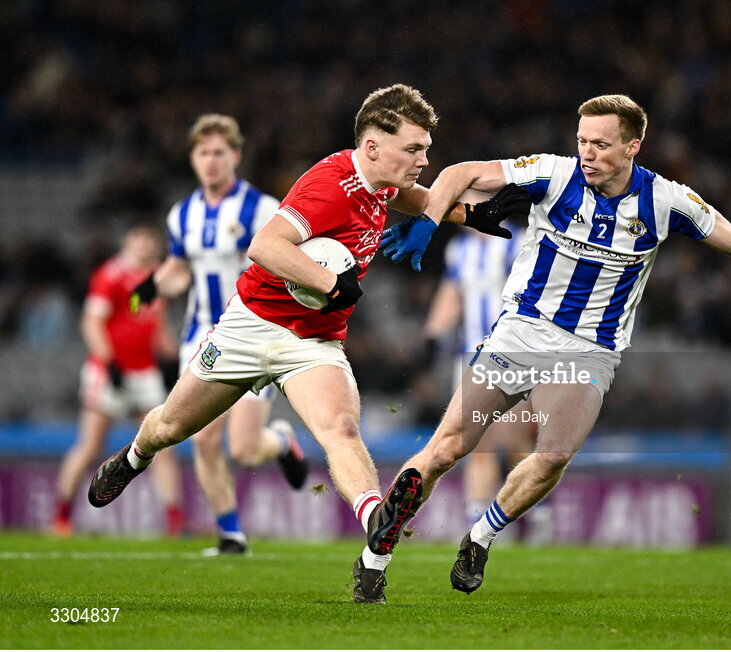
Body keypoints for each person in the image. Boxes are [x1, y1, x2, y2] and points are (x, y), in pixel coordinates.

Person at [373, 94, 731, 594]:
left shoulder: (666, 200)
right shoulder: (553, 173)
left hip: (590, 349)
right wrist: (429, 222)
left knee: (554, 454)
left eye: (601, 144)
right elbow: (460, 172)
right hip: (520, 332)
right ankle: (375, 557)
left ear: (633, 146)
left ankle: (480, 536)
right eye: (583, 141)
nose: (587, 153)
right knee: (451, 446)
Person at [86, 84, 526, 604]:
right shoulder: (330, 185)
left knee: (340, 428)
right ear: (372, 147)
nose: (424, 160)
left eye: (425, 150)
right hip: (250, 327)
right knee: (171, 427)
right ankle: (133, 458)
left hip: (314, 342)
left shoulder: (382, 181)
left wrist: (469, 215)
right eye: (414, 149)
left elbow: (417, 200)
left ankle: (375, 517)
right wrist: (329, 282)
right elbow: (264, 246)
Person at [131, 114, 307, 556]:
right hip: (201, 337)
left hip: (253, 333)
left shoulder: (262, 208)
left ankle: (282, 441)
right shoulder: (182, 213)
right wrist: (150, 287)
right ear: (192, 158)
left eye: (219, 153)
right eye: (203, 153)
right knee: (203, 438)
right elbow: (178, 270)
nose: (211, 161)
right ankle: (231, 535)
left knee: (245, 449)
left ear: (236, 156)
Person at [52, 225, 183, 538]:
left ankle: (175, 520)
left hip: (145, 371)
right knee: (90, 445)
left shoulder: (156, 276)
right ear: (127, 242)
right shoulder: (109, 275)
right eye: (138, 238)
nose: (143, 245)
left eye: (149, 240)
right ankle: (61, 517)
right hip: (108, 370)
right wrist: (109, 361)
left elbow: (155, 320)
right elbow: (91, 322)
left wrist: (172, 358)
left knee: (160, 444)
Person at [424, 224, 548, 537]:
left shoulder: (518, 242)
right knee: (477, 445)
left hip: (512, 354)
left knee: (515, 441)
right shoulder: (460, 248)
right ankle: (478, 529)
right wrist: (433, 335)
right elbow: (451, 294)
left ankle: (538, 519)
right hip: (471, 358)